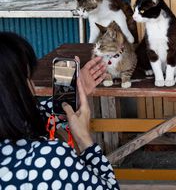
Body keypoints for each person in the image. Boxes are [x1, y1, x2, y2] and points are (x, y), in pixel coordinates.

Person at [0, 32, 119, 189]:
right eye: (28, 78)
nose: (33, 86)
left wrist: (69, 97)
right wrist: (84, 139)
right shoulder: (48, 159)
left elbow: (29, 117)